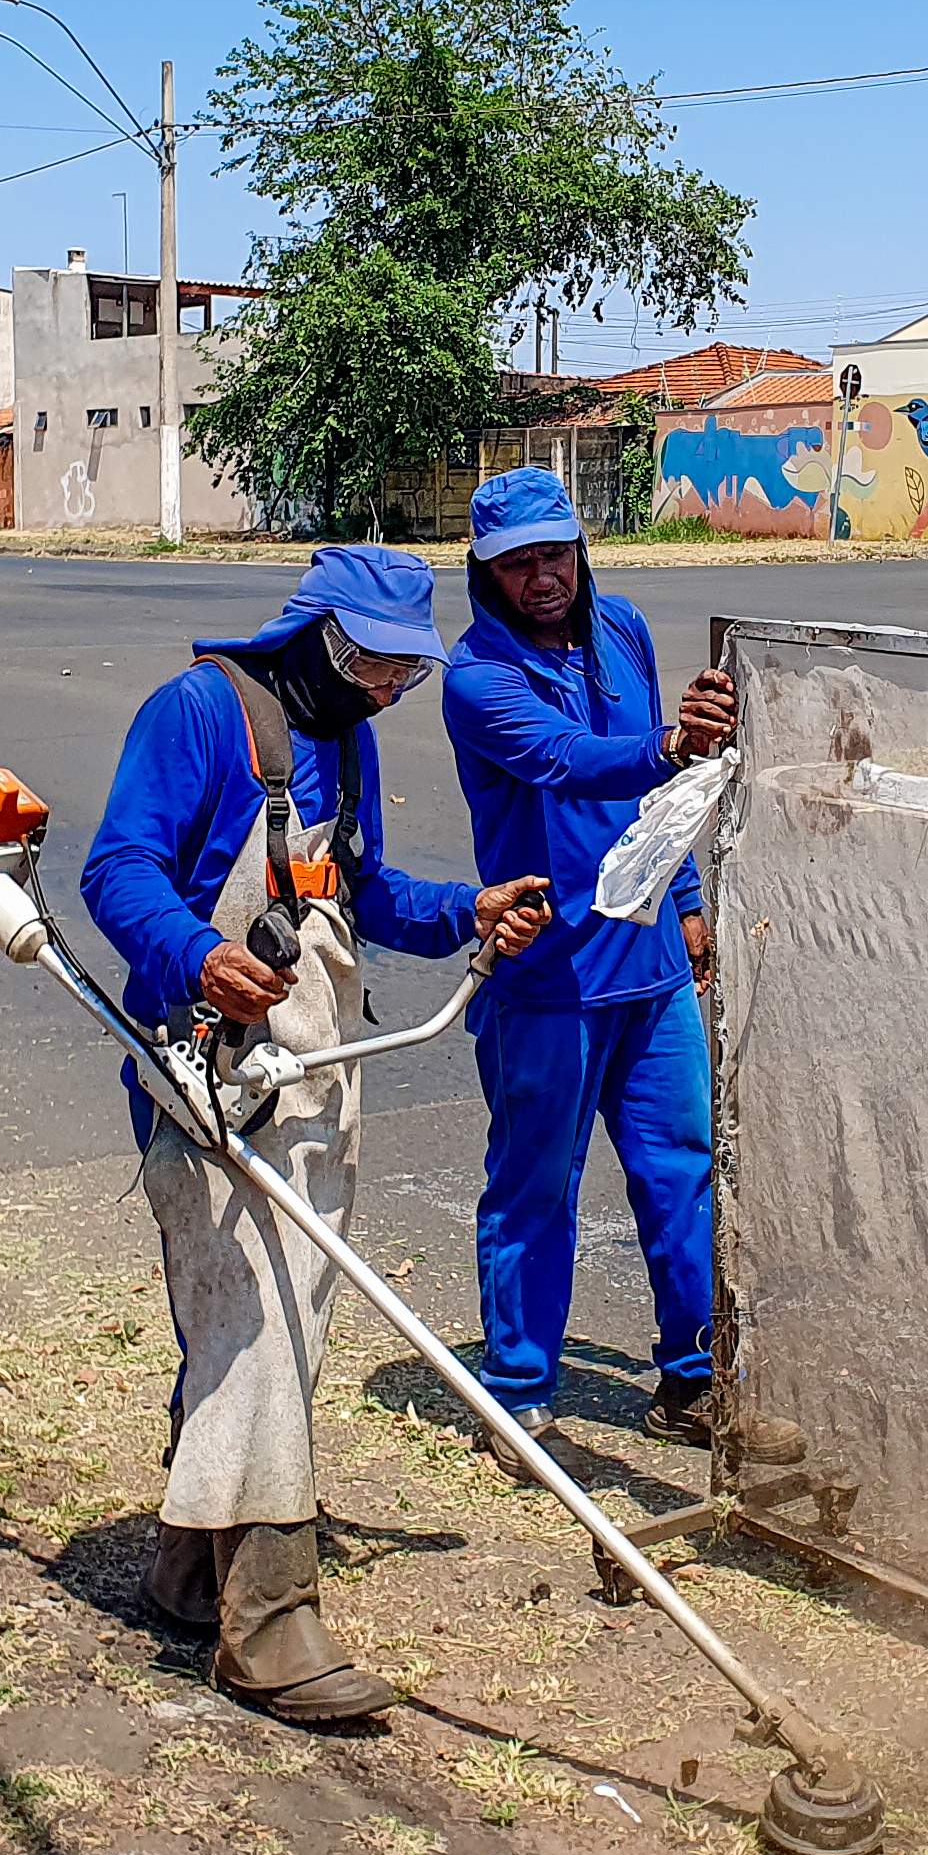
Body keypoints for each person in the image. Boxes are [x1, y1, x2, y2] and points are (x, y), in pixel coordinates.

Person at [80, 546, 549, 1723]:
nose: (392, 691)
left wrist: (466, 913)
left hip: (318, 1065)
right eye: (380, 669)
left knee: (275, 1327)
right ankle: (270, 1627)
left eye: (406, 676)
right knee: (257, 1322)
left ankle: (190, 1574)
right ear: (324, 640)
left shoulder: (349, 741)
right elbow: (116, 867)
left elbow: (362, 891)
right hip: (208, 1072)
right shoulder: (198, 713)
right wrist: (198, 954)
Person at [440, 467, 802, 1478]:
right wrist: (671, 740)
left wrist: (686, 905)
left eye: (554, 553)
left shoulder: (624, 629)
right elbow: (567, 760)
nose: (542, 577)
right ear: (486, 573)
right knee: (534, 1191)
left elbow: (660, 800)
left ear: (580, 548)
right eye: (517, 564)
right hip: (547, 975)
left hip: (646, 966)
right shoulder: (479, 677)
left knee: (682, 1170)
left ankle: (693, 1381)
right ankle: (517, 1400)